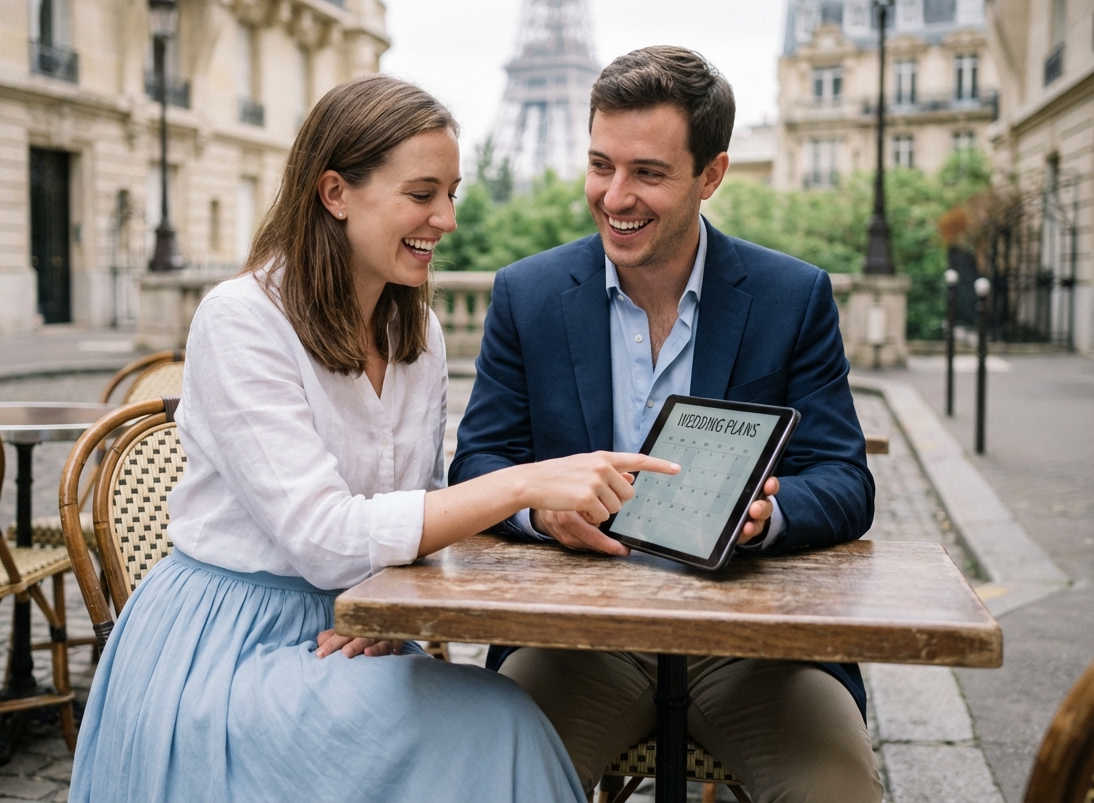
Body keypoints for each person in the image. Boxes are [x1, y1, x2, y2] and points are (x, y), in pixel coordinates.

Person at [69, 75, 682, 803]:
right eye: (423, 195)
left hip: (366, 623)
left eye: (452, 194)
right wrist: (525, 483)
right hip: (228, 651)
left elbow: (415, 512)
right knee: (501, 724)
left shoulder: (413, 328)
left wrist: (392, 617)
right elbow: (323, 538)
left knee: (498, 723)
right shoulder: (240, 320)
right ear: (335, 194)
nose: (447, 219)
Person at [449, 46, 885, 802]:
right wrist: (538, 509)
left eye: (647, 173)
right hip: (578, 643)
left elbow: (846, 479)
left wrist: (764, 516)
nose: (616, 196)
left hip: (756, 648)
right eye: (600, 165)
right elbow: (478, 461)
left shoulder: (793, 296)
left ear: (710, 175)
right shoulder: (527, 294)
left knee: (837, 790)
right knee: (493, 786)